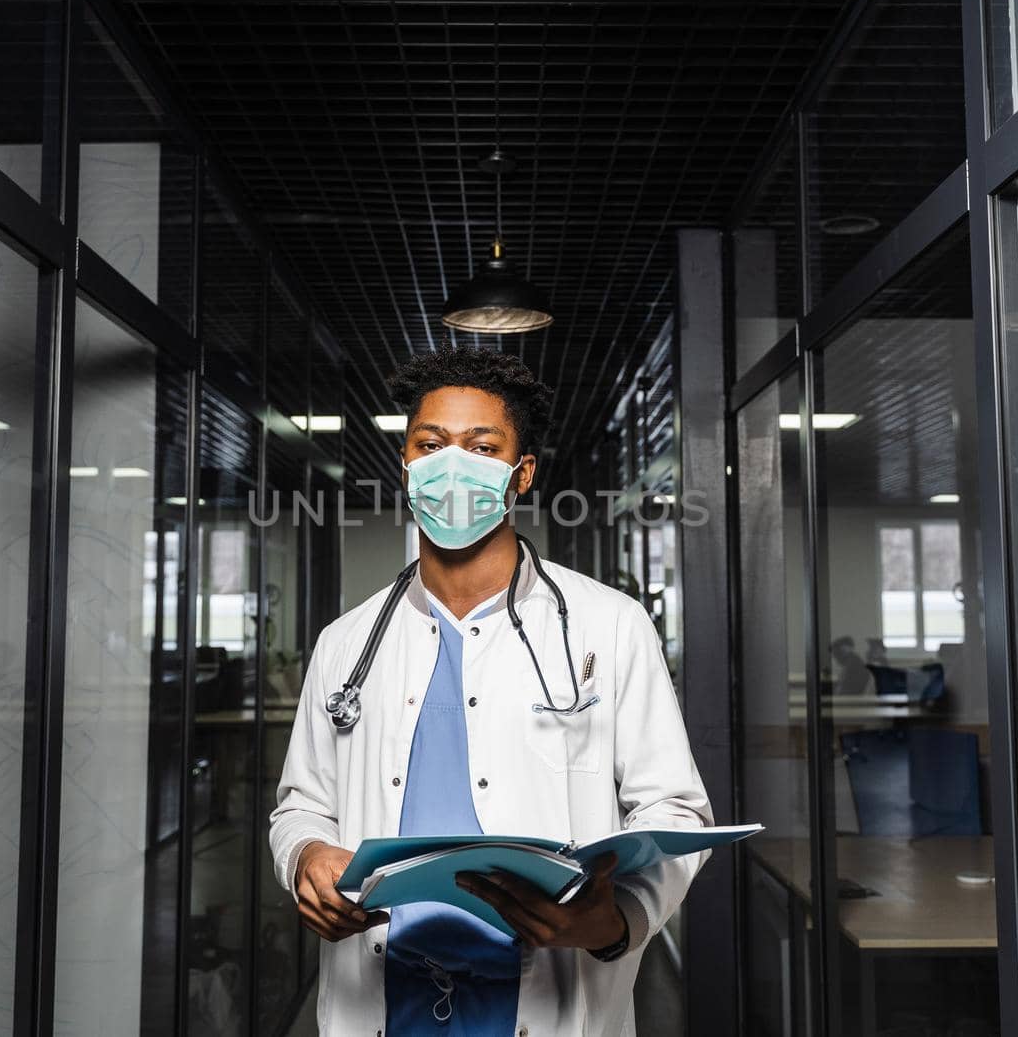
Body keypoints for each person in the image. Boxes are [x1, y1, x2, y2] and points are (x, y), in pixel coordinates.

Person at [268, 348, 712, 1036]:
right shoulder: (346, 643)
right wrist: (305, 856)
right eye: (431, 443)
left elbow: (674, 811)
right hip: (385, 1005)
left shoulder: (610, 627)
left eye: (482, 446)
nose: (452, 463)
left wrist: (615, 920)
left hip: (548, 1004)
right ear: (407, 463)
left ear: (521, 473)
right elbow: (300, 805)